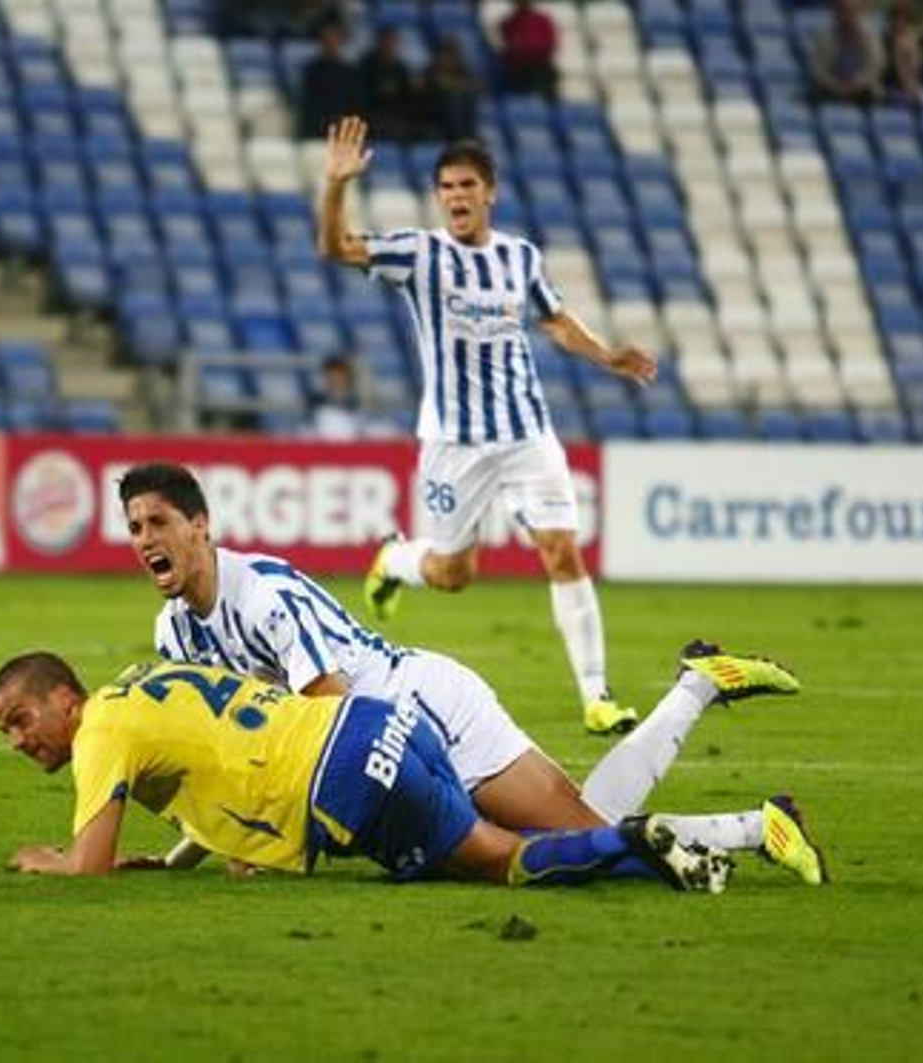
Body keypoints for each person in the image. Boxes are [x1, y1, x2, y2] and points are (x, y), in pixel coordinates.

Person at [115, 461, 828, 886]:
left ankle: (749, 822)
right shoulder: (174, 629)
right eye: (134, 528)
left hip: (423, 712)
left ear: (201, 525)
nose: (145, 539)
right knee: (584, 836)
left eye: (157, 522)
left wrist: (281, 838)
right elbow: (237, 760)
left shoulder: (262, 595)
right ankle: (702, 691)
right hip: (381, 755)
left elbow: (325, 717)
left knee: (581, 842)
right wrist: (183, 860)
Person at [317, 120, 657, 736]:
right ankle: (394, 560)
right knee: (454, 575)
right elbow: (335, 248)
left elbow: (554, 321)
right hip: (453, 442)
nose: (456, 196)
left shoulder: (519, 257)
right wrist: (336, 186)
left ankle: (597, 696)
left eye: (467, 184)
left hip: (527, 432)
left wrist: (606, 355)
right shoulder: (420, 254)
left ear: (490, 191)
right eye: (446, 186)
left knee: (561, 550)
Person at [0, 653, 726, 890]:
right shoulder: (143, 682)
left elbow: (86, 867)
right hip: (377, 720)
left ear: (66, 699)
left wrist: (47, 860)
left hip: (338, 777)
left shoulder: (101, 732)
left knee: (503, 859)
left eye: (21, 719)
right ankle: (684, 854)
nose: (19, 741)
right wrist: (177, 859)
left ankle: (637, 839)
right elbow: (218, 757)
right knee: (499, 842)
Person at [296, 18, 362, 140]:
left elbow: (353, 103)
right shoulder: (311, 70)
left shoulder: (349, 71)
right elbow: (308, 104)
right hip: (317, 127)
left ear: (340, 41)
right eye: (327, 39)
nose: (331, 42)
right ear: (321, 42)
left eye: (334, 38)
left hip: (343, 127)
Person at [808, 0, 882, 106]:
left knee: (874, 95)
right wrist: (834, 85)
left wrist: (854, 85)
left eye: (851, 10)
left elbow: (874, 67)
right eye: (843, 9)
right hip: (831, 88)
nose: (847, 14)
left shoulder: (870, 37)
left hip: (861, 90)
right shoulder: (824, 37)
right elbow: (817, 69)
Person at [412, 37, 480, 144]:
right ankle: (459, 138)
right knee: (455, 97)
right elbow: (439, 84)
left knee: (466, 97)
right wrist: (457, 86)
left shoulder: (461, 70)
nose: (449, 59)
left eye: (453, 55)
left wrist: (455, 85)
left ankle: (467, 136)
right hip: (433, 118)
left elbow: (477, 86)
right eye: (447, 54)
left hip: (455, 119)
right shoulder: (431, 70)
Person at [881, 0, 923, 108]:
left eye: (904, 18)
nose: (899, 22)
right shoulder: (886, 43)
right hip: (896, 92)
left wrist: (916, 89)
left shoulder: (919, 41)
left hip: (919, 90)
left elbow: (922, 69)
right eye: (896, 18)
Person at [358, 25, 413, 141]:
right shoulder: (367, 65)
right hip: (372, 115)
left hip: (395, 116)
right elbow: (362, 95)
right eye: (386, 41)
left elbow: (406, 98)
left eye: (392, 41)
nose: (389, 45)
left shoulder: (400, 69)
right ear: (379, 43)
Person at [496, 0, 559, 99]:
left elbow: (551, 44)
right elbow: (507, 47)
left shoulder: (542, 20)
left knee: (546, 75)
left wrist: (531, 51)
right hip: (517, 68)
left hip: (539, 65)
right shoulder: (508, 23)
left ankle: (550, 106)